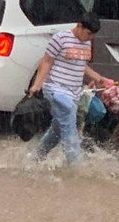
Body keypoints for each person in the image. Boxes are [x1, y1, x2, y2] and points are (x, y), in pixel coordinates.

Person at [28, 12, 111, 163]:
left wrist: (97, 77)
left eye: (93, 35)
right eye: (88, 33)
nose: (90, 37)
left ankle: (36, 159)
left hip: (74, 92)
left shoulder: (86, 42)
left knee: (58, 129)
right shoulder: (60, 38)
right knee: (69, 123)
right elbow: (46, 61)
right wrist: (37, 86)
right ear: (79, 26)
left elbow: (80, 65)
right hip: (55, 89)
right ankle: (76, 167)